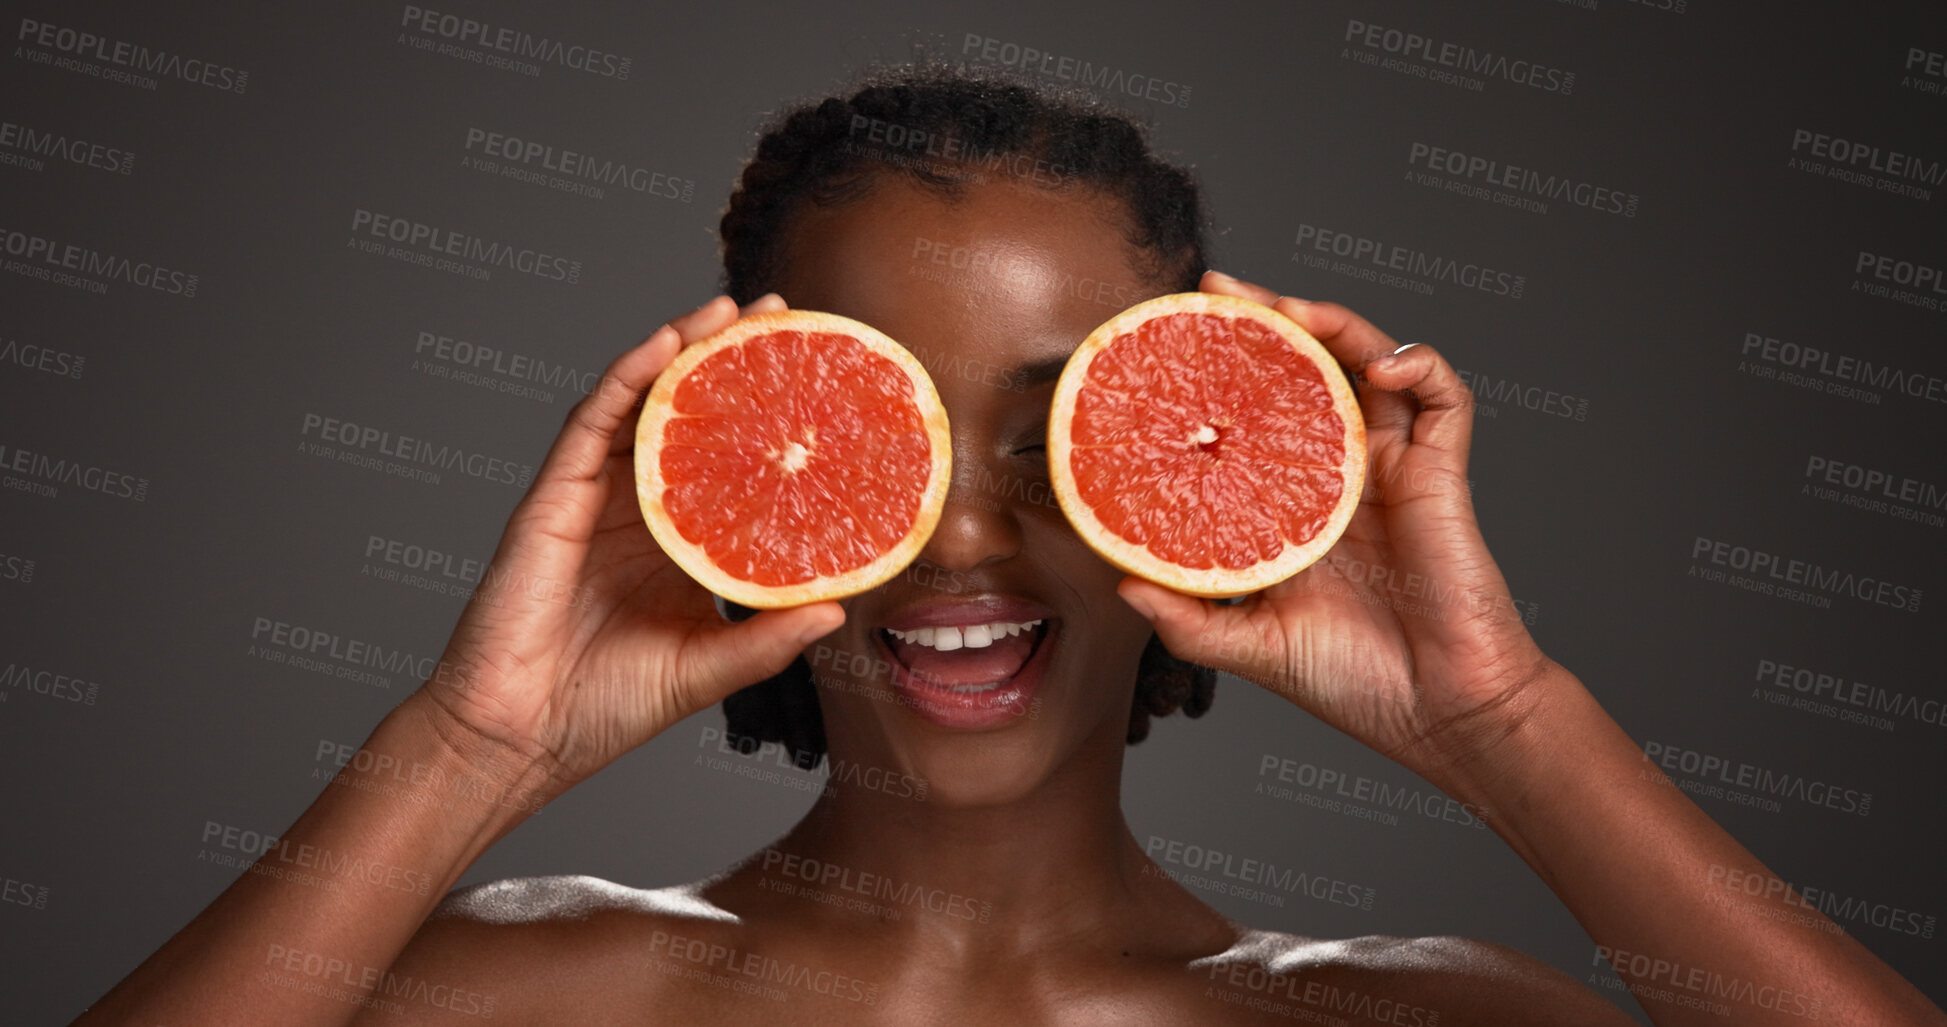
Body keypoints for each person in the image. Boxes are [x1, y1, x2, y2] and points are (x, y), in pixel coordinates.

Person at [76, 66, 1944, 1027]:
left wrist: (1502, 716)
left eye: (1062, 433)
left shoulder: (1422, 1018)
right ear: (708, 454)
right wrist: (473, 749)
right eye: (870, 428)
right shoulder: (516, 996)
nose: (963, 529)